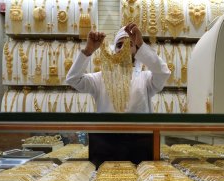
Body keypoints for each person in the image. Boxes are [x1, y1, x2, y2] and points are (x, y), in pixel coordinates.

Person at [66, 23, 170, 166]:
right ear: (114, 50)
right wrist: (88, 51)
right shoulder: (100, 78)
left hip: (139, 143)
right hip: (105, 144)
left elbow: (163, 72)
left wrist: (142, 44)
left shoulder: (146, 78)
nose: (124, 48)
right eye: (119, 45)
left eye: (130, 44)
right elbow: (73, 79)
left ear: (136, 49)